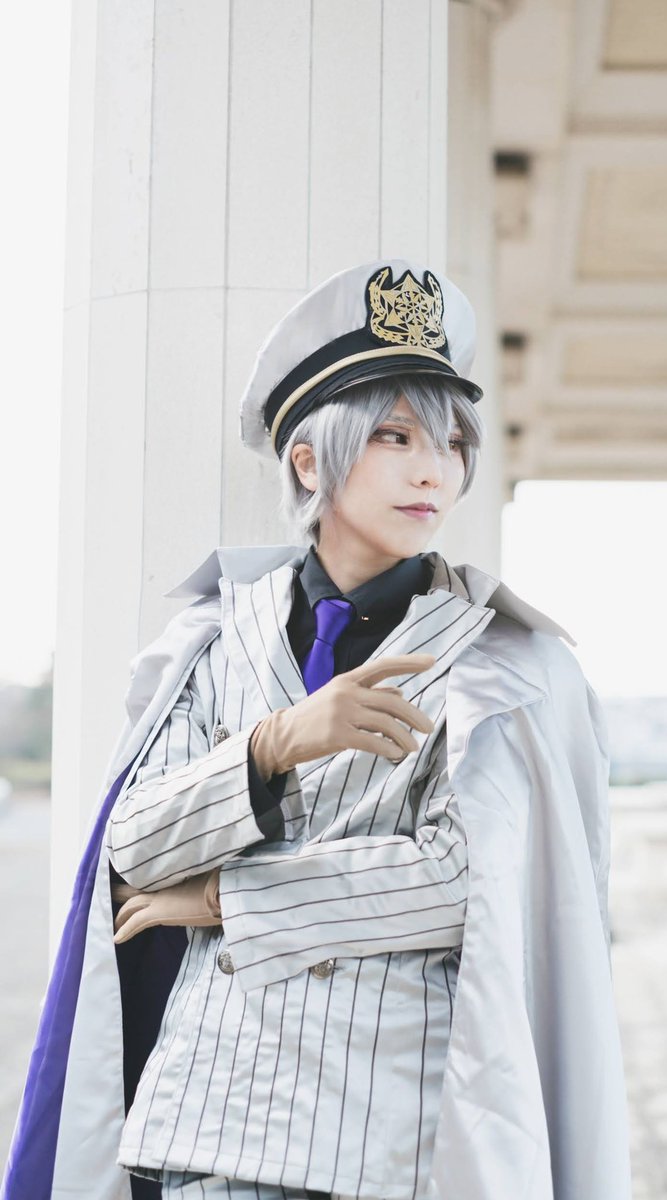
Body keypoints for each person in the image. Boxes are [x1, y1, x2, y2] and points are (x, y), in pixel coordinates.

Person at [3, 260, 632, 1200]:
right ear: (309, 460)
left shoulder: (501, 664)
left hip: (387, 1136)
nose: (433, 469)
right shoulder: (212, 638)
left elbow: (464, 883)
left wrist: (226, 897)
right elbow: (131, 849)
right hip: (206, 1123)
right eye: (394, 435)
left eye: (452, 440)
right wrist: (274, 744)